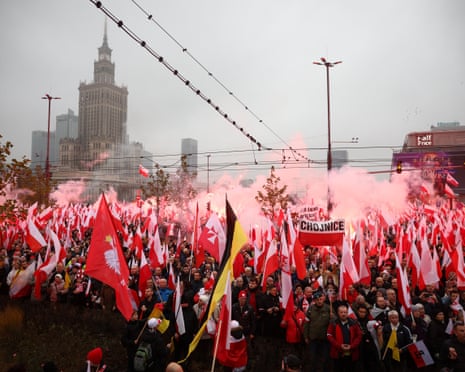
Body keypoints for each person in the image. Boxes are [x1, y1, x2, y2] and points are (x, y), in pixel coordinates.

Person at [326, 303, 362, 372]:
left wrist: (352, 346)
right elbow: (329, 335)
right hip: (337, 353)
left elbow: (359, 335)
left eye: (345, 312)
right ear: (338, 313)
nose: (343, 314)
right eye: (341, 312)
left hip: (351, 353)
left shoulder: (353, 322)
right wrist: (339, 345)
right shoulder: (333, 323)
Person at [302, 291, 332, 372]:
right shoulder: (311, 308)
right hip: (313, 339)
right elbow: (306, 323)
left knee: (325, 359)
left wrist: (333, 318)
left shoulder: (328, 308)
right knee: (312, 359)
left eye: (321, 299)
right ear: (314, 300)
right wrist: (305, 337)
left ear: (323, 299)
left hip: (324, 339)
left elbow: (334, 323)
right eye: (317, 299)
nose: (319, 301)